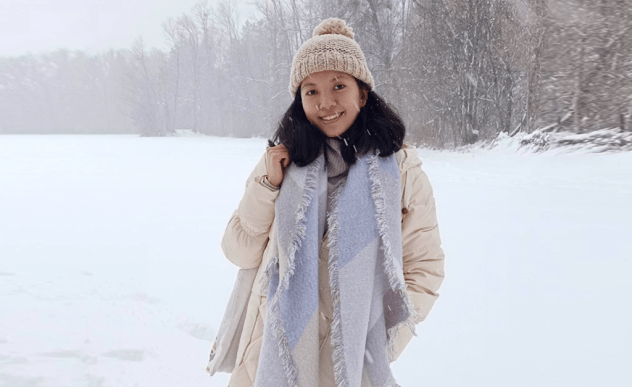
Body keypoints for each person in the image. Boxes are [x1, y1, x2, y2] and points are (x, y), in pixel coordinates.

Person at [212, 18, 445, 387]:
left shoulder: (400, 170)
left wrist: (375, 344)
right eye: (311, 91)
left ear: (362, 93)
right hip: (271, 355)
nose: (326, 103)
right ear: (299, 98)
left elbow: (425, 269)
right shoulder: (282, 160)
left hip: (353, 366)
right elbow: (239, 252)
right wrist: (267, 186)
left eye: (339, 86)